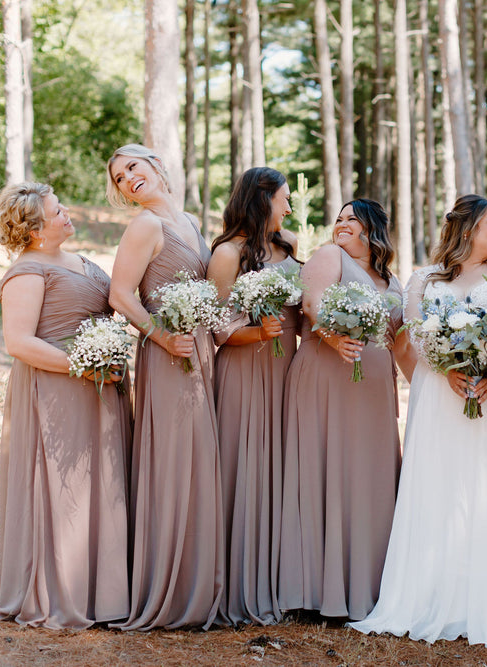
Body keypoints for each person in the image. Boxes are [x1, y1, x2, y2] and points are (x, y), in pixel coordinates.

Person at [350, 195, 487, 648]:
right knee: (439, 487)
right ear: (468, 227)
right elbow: (415, 338)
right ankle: (428, 596)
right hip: (439, 394)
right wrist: (448, 368)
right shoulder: (423, 280)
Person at [0, 182, 131, 629]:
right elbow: (19, 342)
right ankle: (62, 590)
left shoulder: (79, 260)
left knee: (101, 484)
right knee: (66, 488)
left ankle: (105, 590)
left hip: (101, 386)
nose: (67, 212)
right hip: (58, 390)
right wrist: (82, 367)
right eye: (57, 211)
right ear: (34, 229)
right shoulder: (27, 271)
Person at [106, 144, 224, 630]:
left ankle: (199, 581)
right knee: (174, 460)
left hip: (200, 351)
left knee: (199, 461)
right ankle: (168, 589)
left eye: (132, 167)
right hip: (168, 352)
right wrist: (159, 334)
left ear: (154, 164)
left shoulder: (191, 222)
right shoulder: (145, 226)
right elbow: (119, 294)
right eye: (118, 178)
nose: (127, 178)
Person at [277, 199, 411, 622]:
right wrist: (334, 340)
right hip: (325, 375)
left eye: (351, 218)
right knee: (322, 470)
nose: (341, 225)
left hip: (372, 389)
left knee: (365, 477)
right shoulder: (329, 256)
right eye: (338, 219)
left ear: (372, 228)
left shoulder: (392, 281)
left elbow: (399, 342)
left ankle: (366, 587)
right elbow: (312, 305)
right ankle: (314, 592)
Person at [207, 166, 300, 625]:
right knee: (244, 466)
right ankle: (237, 581)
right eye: (284, 198)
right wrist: (256, 333)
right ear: (261, 199)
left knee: (280, 467)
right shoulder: (227, 254)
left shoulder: (289, 246)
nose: (289, 207)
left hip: (286, 371)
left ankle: (281, 578)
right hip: (244, 371)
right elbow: (216, 329)